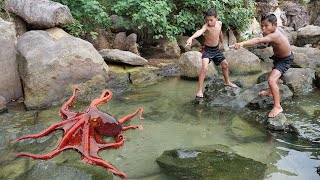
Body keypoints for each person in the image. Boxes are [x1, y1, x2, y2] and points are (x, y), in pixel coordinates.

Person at [230, 14, 293, 118]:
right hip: (279, 58)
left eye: (266, 26)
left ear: (275, 24)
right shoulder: (277, 30)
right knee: (273, 75)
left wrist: (241, 44)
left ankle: (277, 106)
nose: (263, 29)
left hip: (285, 60)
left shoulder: (275, 35)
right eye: (262, 26)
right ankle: (270, 92)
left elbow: (258, 40)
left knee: (271, 80)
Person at [186, 8, 237, 100]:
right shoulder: (206, 26)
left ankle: (227, 81)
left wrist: (222, 42)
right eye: (207, 20)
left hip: (216, 49)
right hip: (207, 50)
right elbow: (200, 31)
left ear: (216, 18)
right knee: (205, 68)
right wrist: (191, 38)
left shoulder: (220, 24)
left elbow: (220, 32)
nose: (209, 22)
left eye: (211, 20)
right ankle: (199, 90)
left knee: (225, 64)